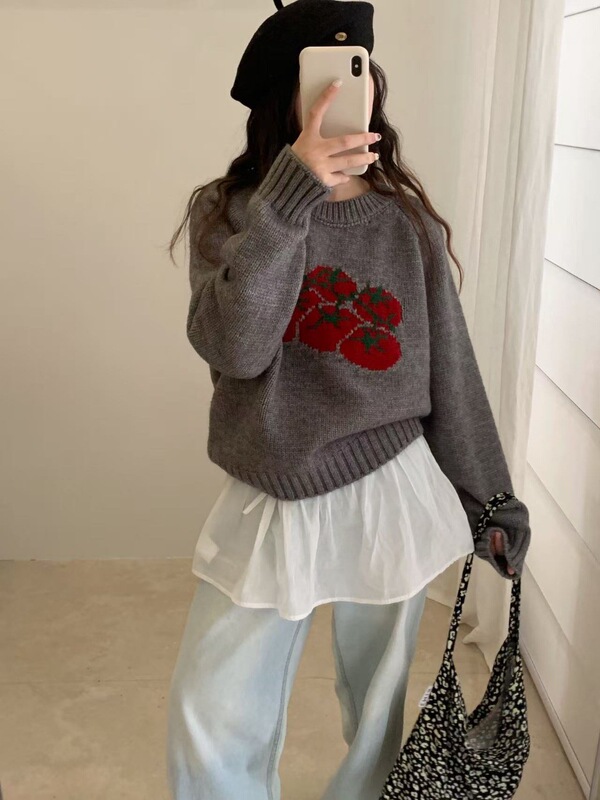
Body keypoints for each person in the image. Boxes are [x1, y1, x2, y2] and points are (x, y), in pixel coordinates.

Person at [164, 1, 532, 798]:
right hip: (274, 487)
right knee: (210, 708)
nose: (348, 94)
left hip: (391, 485)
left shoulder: (403, 224)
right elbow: (236, 349)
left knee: (377, 710)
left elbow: (450, 370)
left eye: (358, 73)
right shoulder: (229, 214)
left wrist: (490, 497)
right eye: (324, 78)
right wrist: (288, 201)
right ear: (285, 96)